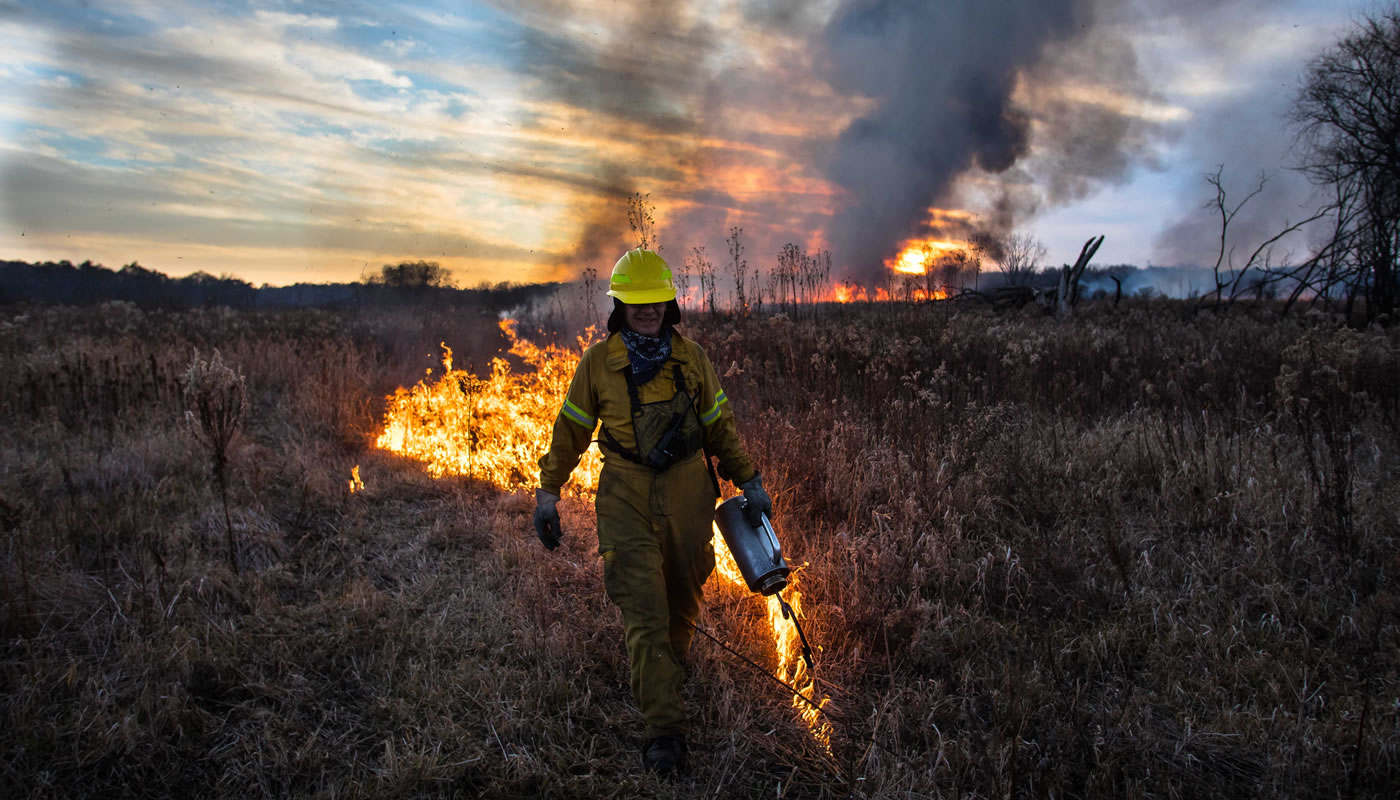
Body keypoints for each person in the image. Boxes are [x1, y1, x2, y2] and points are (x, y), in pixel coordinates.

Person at [533, 248, 772, 775]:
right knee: (645, 611)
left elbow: (720, 427)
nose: (648, 311)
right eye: (637, 303)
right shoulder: (599, 363)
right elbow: (571, 430)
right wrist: (548, 491)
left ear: (670, 302)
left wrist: (749, 480)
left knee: (684, 593)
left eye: (657, 301)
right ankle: (664, 731)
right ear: (619, 305)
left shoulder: (693, 360)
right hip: (625, 493)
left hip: (690, 490)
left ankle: (666, 670)